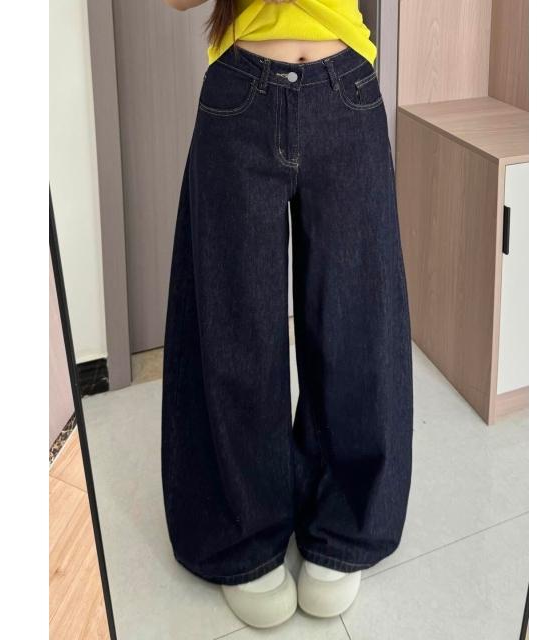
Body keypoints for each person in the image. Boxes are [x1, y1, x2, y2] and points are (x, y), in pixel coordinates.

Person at [161, 0, 413, 628]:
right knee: (236, 327)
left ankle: (345, 521)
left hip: (346, 94)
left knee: (356, 325)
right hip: (238, 97)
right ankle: (242, 532)